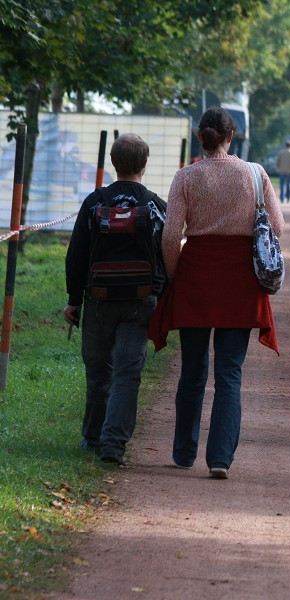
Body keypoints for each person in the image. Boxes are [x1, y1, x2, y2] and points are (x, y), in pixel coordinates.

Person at [148, 106, 284, 479]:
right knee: (229, 373)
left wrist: (176, 276)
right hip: (240, 281)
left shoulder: (186, 177)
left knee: (192, 369)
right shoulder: (255, 174)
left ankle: (183, 452)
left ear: (200, 137)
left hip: (196, 277)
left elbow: (171, 234)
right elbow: (277, 226)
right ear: (232, 135)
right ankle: (220, 458)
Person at [64, 133, 167, 466]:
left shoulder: (95, 202)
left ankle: (92, 437)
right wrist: (159, 292)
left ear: (113, 162)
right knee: (127, 373)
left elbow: (76, 255)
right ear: (145, 163)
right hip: (139, 302)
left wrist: (73, 301)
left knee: (98, 371)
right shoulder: (154, 205)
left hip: (97, 301)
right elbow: (166, 254)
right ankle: (113, 445)